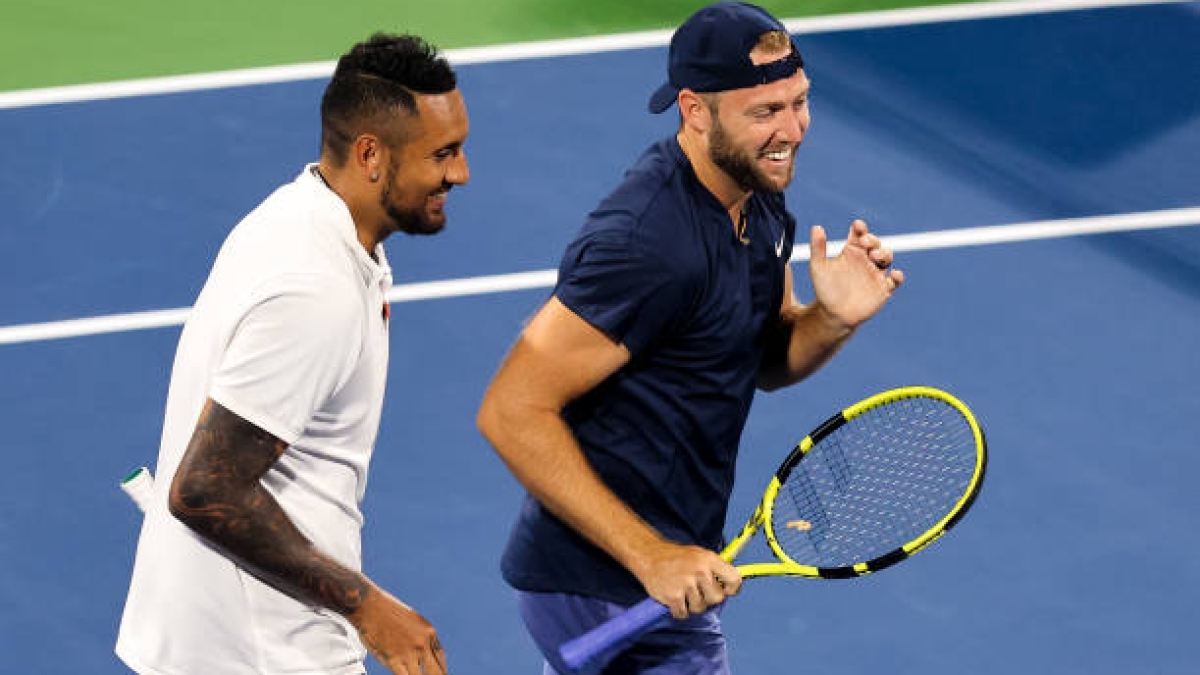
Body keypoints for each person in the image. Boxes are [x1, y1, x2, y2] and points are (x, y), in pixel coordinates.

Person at [476, 3, 904, 673]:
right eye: (764, 112)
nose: (792, 130)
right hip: (603, 582)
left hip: (664, 570)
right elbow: (510, 409)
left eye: (800, 102)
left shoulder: (759, 203)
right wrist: (653, 555)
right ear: (696, 111)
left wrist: (831, 319)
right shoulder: (647, 244)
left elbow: (762, 360)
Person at [116, 33, 469, 675]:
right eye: (442, 154)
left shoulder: (298, 215)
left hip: (223, 634)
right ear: (370, 154)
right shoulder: (316, 288)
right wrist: (370, 609)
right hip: (259, 650)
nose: (460, 173)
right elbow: (204, 488)